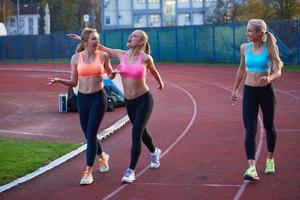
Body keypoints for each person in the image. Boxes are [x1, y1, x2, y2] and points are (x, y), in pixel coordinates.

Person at [68, 29, 164, 183]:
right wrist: (82, 39)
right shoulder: (121, 54)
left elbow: (154, 72)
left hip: (144, 100)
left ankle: (130, 171)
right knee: (142, 131)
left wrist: (161, 83)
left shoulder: (146, 58)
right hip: (129, 101)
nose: (130, 37)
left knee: (136, 133)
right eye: (131, 35)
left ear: (141, 42)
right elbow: (101, 47)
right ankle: (154, 151)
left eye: (134, 36)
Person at [47, 28, 117, 185]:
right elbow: (74, 83)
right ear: (86, 42)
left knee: (91, 134)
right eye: (94, 39)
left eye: (98, 39)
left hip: (99, 98)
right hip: (82, 99)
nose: (97, 42)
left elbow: (110, 74)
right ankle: (102, 156)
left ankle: (88, 172)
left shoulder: (103, 56)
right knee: (88, 135)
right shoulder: (75, 58)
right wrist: (59, 80)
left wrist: (114, 73)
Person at [231, 19, 283, 181]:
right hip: (249, 92)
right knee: (250, 129)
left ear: (259, 33)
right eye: (247, 30)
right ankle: (251, 167)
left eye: (249, 31)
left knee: (268, 126)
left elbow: (278, 70)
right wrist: (235, 89)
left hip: (266, 91)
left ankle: (270, 159)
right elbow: (241, 69)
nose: (246, 33)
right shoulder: (244, 48)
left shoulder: (270, 48)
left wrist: (270, 78)